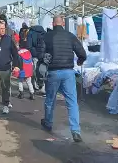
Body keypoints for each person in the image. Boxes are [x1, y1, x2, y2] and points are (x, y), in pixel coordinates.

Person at [41, 15, 86, 143]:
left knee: (50, 100)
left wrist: (44, 59)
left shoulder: (47, 36)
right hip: (68, 72)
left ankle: (48, 122)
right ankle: (76, 131)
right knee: (72, 102)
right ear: (62, 24)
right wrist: (80, 61)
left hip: (53, 72)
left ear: (53, 23)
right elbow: (82, 53)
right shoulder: (70, 36)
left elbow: (40, 54)